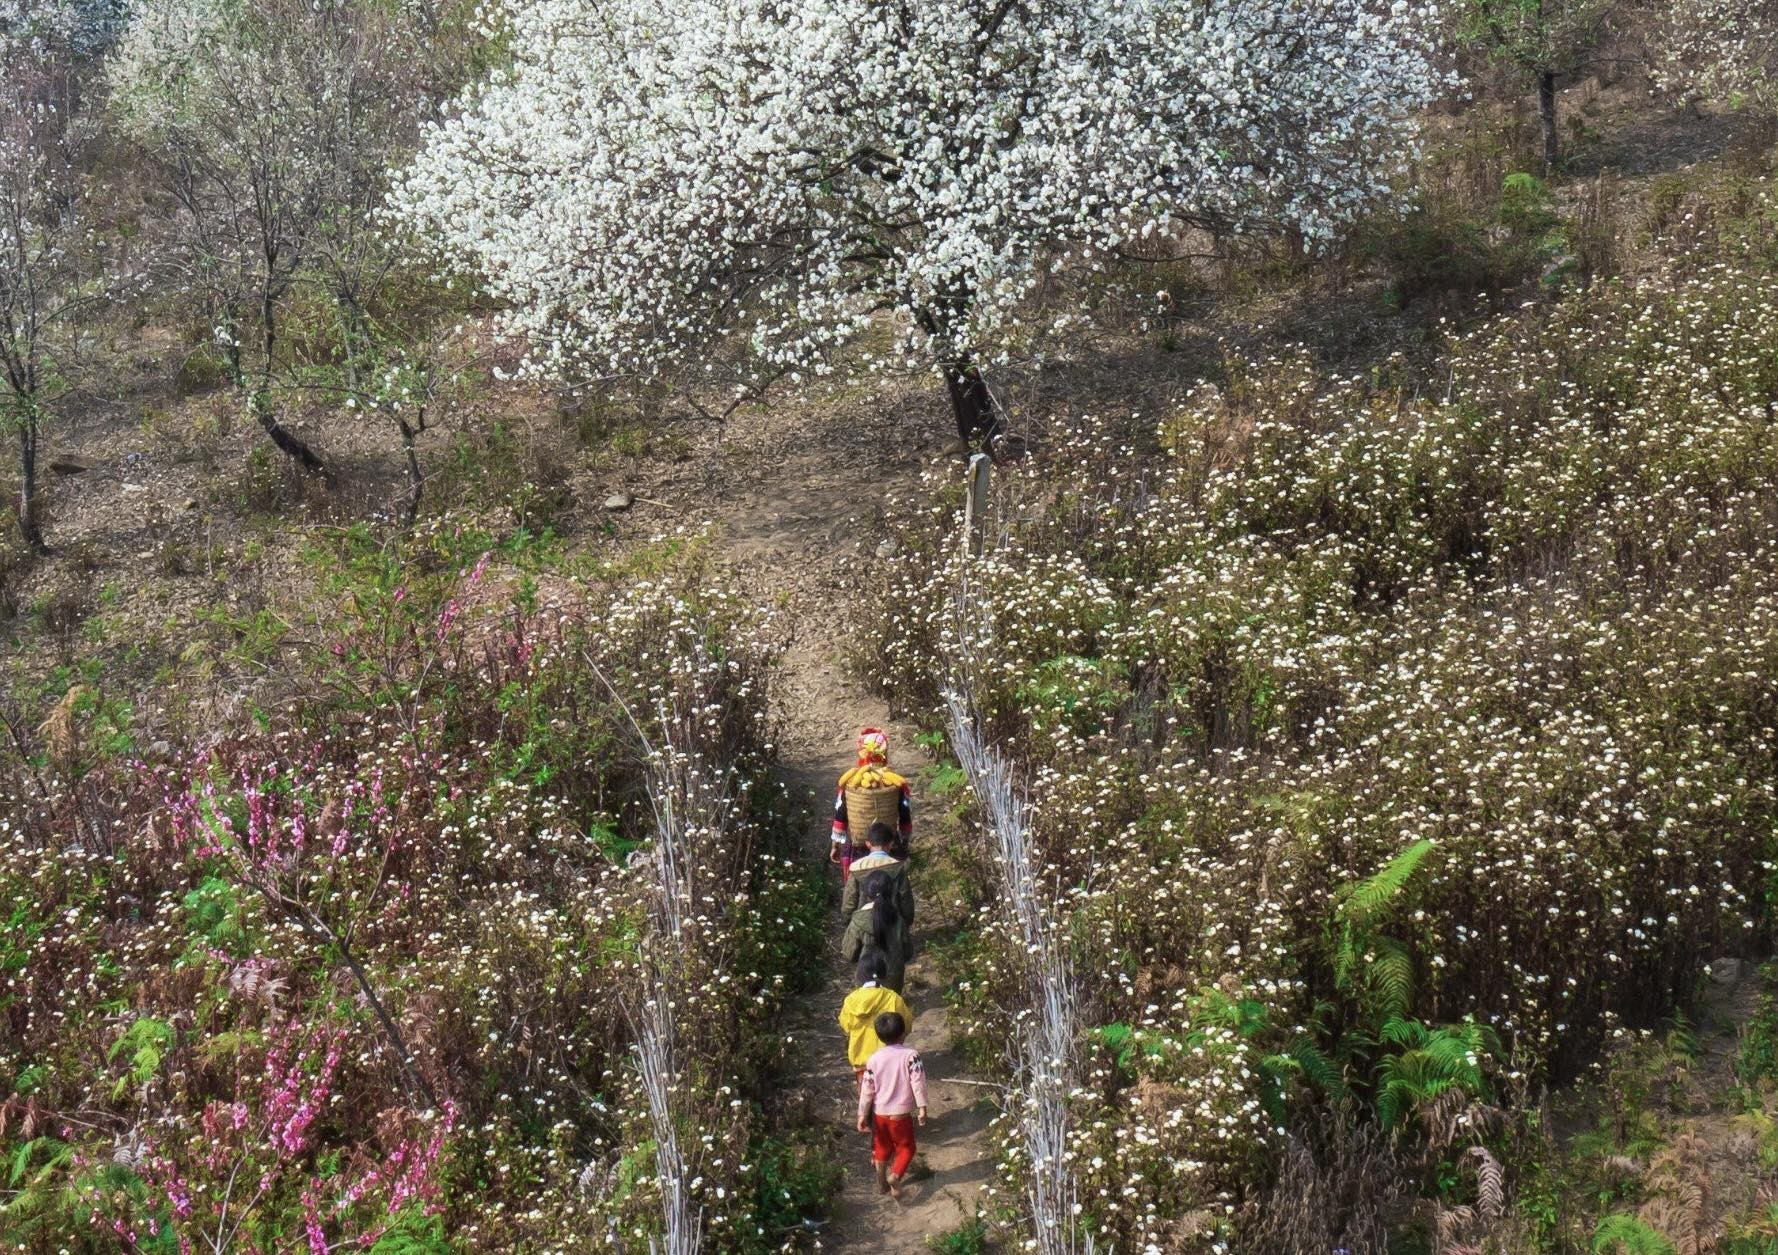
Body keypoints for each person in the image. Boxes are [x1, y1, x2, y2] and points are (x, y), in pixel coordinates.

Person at [856, 1010, 927, 1198]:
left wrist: (862, 1114)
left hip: (880, 1114)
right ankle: (895, 1176)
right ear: (903, 1034)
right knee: (906, 1148)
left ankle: (881, 1182)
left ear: (879, 1036)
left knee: (882, 1147)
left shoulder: (873, 1059)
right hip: (900, 1115)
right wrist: (922, 1107)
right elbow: (917, 1082)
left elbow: (867, 1089)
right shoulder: (911, 1056)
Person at [841, 824, 914, 991]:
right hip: (892, 946)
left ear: (868, 844)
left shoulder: (857, 868)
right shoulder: (897, 868)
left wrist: (850, 923)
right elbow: (905, 901)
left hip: (865, 953)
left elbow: (849, 903)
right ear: (890, 844)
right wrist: (904, 923)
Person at [831, 728, 912, 878]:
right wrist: (904, 843)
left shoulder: (851, 784)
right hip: (888, 846)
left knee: (853, 887)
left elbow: (841, 815)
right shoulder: (893, 784)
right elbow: (905, 816)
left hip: (858, 849)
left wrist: (835, 845)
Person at [838, 951, 913, 1090]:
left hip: (861, 1061)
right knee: (891, 1099)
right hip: (889, 1061)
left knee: (865, 1100)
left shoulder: (850, 1001)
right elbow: (906, 1026)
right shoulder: (893, 998)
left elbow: (845, 1025)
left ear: (859, 974)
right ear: (883, 972)